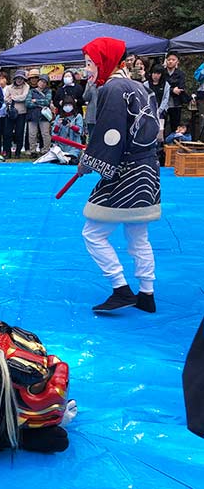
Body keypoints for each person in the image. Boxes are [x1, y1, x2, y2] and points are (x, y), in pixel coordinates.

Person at [78, 37, 160, 313]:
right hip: (148, 169)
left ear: (104, 61)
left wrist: (87, 162)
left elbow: (111, 136)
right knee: (139, 235)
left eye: (90, 63)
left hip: (126, 174)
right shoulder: (141, 87)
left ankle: (120, 288)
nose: (87, 69)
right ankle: (147, 294)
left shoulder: (113, 88)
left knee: (92, 233)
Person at [4, 69, 30, 158]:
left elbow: (24, 97)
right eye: (18, 78)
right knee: (8, 133)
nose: (19, 80)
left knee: (20, 133)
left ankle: (18, 152)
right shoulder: (9, 87)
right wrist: (13, 98)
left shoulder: (26, 86)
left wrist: (13, 97)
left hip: (22, 113)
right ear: (14, 79)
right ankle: (8, 152)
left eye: (21, 78)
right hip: (10, 113)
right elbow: (6, 99)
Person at [25, 74, 52, 157]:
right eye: (41, 81)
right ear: (38, 81)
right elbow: (27, 103)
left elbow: (47, 102)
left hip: (44, 115)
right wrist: (40, 103)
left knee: (45, 133)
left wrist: (35, 101)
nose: (42, 83)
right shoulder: (31, 91)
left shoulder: (48, 91)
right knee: (32, 134)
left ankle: (46, 150)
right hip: (32, 115)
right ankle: (32, 150)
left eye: (45, 82)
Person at [163, 52, 187, 134]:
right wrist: (172, 89)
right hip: (163, 103)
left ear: (177, 61)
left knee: (175, 125)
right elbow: (160, 87)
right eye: (169, 59)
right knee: (162, 124)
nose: (170, 61)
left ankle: (174, 142)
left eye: (173, 60)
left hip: (176, 103)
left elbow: (181, 88)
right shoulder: (162, 73)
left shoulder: (180, 74)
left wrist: (170, 89)